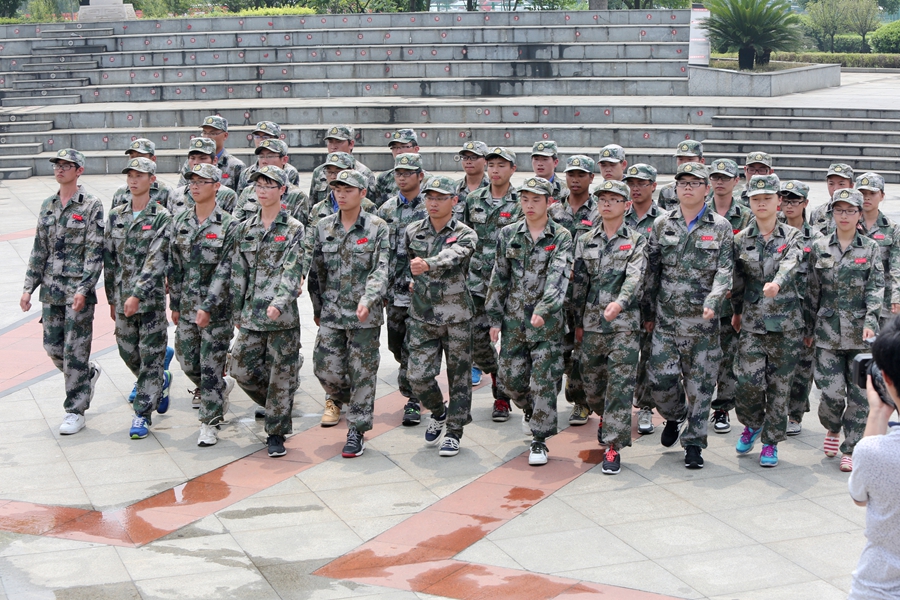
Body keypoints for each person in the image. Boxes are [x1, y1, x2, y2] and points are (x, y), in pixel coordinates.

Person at [643, 162, 733, 469]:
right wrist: (647, 311)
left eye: (695, 183)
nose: (688, 188)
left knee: (701, 388)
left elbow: (724, 270)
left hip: (702, 324)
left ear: (706, 189)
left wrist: (714, 299)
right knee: (660, 380)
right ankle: (674, 415)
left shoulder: (720, 226)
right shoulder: (662, 224)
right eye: (683, 183)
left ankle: (694, 443)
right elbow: (652, 271)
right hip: (667, 321)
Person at [486, 177, 573, 466]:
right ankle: (529, 410)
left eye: (536, 199)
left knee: (544, 381)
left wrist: (544, 308)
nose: (530, 205)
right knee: (510, 380)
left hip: (547, 324)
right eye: (525, 199)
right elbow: (499, 277)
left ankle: (540, 438)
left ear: (549, 202)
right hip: (514, 322)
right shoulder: (508, 233)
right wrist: (494, 318)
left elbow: (559, 277)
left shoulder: (561, 236)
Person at [21, 149, 103, 436]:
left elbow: (94, 252)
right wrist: (28, 287)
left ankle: (75, 410)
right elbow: (39, 249)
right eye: (57, 165)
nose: (60, 169)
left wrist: (85, 288)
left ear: (79, 171)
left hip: (78, 292)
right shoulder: (48, 205)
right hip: (51, 291)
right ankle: (87, 375)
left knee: (74, 350)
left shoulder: (91, 205)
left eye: (67, 166)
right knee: (53, 348)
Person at [310, 170, 390, 458]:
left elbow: (381, 269)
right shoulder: (323, 227)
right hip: (332, 311)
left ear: (363, 193)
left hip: (364, 315)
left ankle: (357, 429)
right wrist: (317, 307)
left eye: (348, 190)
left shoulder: (377, 227)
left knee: (363, 373)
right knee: (324, 368)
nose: (341, 195)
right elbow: (317, 271)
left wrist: (368, 300)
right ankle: (347, 400)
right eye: (337, 189)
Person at [571, 179, 647, 475]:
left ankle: (614, 445)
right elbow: (579, 284)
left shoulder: (637, 240)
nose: (606, 203)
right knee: (592, 384)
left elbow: (635, 277)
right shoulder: (585, 239)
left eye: (614, 199)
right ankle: (604, 414)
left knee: (620, 385)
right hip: (592, 323)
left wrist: (620, 302)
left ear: (626, 206)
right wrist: (577, 321)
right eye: (602, 198)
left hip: (625, 326)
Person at [731, 174, 806, 467]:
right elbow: (737, 280)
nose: (761, 203)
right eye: (756, 199)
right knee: (747, 382)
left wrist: (777, 283)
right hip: (752, 322)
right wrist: (736, 311)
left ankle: (771, 443)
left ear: (778, 202)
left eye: (767, 198)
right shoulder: (741, 239)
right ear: (749, 202)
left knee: (779, 386)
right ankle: (753, 423)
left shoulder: (793, 235)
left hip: (785, 323)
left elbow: (792, 262)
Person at [231, 165, 306, 458]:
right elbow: (239, 271)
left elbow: (293, 269)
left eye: (268, 186)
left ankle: (276, 432)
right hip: (252, 315)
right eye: (258, 186)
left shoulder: (294, 229)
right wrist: (237, 311)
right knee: (240, 369)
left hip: (282, 318)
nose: (262, 191)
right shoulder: (245, 228)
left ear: (282, 190)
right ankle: (278, 405)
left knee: (280, 376)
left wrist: (279, 302)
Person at [808, 188, 884, 472]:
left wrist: (871, 322)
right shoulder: (819, 247)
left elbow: (876, 287)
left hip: (860, 334)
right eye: (839, 210)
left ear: (859, 214)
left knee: (859, 396)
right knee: (831, 393)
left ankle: (850, 447)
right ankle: (832, 426)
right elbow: (812, 290)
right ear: (832, 213)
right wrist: (808, 328)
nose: (844, 215)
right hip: (827, 332)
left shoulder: (870, 248)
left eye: (850, 210)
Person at [405, 175, 478, 456]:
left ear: (454, 201)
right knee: (417, 376)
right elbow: (405, 264)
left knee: (459, 377)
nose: (433, 203)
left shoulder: (465, 233)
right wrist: (409, 279)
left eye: (440, 198)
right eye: (429, 198)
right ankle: (438, 411)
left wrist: (428, 264)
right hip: (423, 314)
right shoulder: (413, 230)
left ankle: (455, 432)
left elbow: (455, 255)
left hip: (457, 315)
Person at [169, 163, 238, 447]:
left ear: (216, 186)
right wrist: (175, 303)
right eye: (192, 181)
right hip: (187, 307)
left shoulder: (229, 225)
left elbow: (226, 270)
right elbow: (175, 265)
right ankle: (220, 388)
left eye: (201, 181)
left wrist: (208, 306)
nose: (195, 186)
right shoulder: (180, 221)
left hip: (217, 311)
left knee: (210, 366)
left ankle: (209, 422)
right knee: (186, 360)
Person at [105, 157, 173, 440]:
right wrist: (112, 298)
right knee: (127, 350)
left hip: (150, 301)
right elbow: (109, 259)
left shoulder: (162, 217)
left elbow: (157, 260)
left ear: (151, 180)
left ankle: (142, 414)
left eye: (139, 176)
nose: (133, 180)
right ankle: (159, 380)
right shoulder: (116, 215)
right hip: (122, 299)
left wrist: (137, 294)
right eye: (130, 175)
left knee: (151, 356)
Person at [463, 146, 521, 419]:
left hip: (509, 284)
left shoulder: (521, 202)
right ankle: (496, 373)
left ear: (513, 169)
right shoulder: (473, 199)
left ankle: (502, 398)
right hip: (476, 282)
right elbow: (464, 237)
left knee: (509, 345)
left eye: (502, 165)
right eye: (492, 165)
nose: (495, 170)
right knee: (477, 339)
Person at [848, 315, 900, 599]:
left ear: (887, 379)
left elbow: (860, 498)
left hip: (879, 589)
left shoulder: (874, 453)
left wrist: (877, 413)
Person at [378, 153, 428, 426]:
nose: (402, 177)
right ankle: (410, 374)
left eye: (408, 173)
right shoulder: (386, 209)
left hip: (419, 291)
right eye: (398, 173)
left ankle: (413, 399)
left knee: (414, 345)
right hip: (393, 290)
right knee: (396, 343)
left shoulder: (431, 207)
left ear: (420, 176)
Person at [550, 155, 600, 427]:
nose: (575, 180)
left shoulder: (599, 211)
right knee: (557, 350)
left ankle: (581, 402)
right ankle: (546, 403)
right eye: (571, 174)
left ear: (592, 177)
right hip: (557, 293)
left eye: (581, 174)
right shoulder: (554, 211)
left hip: (586, 294)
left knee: (582, 352)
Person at [707, 158, 753, 435]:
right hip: (701, 299)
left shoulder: (746, 216)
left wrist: (741, 304)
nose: (720, 182)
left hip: (732, 300)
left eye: (726, 177)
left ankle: (722, 408)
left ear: (737, 181)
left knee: (727, 357)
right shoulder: (700, 212)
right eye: (715, 177)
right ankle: (695, 406)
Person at [625, 163, 663, 435]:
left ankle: (646, 406)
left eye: (642, 183)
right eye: (632, 183)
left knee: (648, 356)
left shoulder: (663, 220)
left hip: (653, 299)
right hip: (623, 300)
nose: (636, 188)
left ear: (654, 186)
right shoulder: (619, 214)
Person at [779, 180, 818, 436]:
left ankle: (795, 414)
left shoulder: (816, 238)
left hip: (805, 311)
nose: (789, 206)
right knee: (778, 365)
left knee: (803, 366)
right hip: (778, 310)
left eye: (794, 201)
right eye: (785, 200)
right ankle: (775, 411)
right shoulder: (773, 231)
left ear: (805, 203)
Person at [856, 172, 900, 325]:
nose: (866, 198)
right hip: (853, 301)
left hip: (883, 300)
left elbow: (896, 266)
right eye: (862, 193)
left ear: (882, 196)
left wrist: (896, 296)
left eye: (872, 193)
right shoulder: (848, 225)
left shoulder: (892, 229)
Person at [232, 139, 310, 226]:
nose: (264, 161)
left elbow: (298, 229)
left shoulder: (297, 196)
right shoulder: (248, 192)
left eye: (270, 156)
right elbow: (236, 226)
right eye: (261, 156)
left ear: (284, 160)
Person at [169, 137, 239, 216]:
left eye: (202, 158)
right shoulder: (176, 195)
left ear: (215, 160)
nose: (196, 162)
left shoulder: (227, 196)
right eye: (192, 158)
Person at [307, 125, 376, 203]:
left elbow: (370, 206)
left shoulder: (364, 173)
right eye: (330, 142)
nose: (333, 146)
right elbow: (312, 204)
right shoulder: (319, 171)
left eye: (338, 141)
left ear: (351, 144)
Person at [177, 116, 245, 193]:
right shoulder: (190, 163)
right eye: (204, 132)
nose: (207, 137)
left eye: (213, 133)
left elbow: (241, 196)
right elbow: (181, 192)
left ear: (225, 135)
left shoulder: (235, 166)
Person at [236, 121, 301, 195]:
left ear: (277, 139)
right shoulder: (246, 173)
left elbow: (290, 197)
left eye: (266, 137)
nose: (261, 140)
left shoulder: (289, 172)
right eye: (257, 136)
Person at [373, 129, 432, 207]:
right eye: (394, 147)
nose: (398, 151)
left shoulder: (429, 181)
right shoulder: (384, 179)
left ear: (416, 149)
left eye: (404, 146)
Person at [111, 139, 174, 210]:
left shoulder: (165, 191)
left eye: (140, 157)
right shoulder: (121, 193)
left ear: (153, 159)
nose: (136, 161)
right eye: (132, 157)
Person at [658, 140, 704, 211]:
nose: (684, 163)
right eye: (680, 159)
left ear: (701, 161)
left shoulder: (710, 191)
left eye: (690, 159)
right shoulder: (667, 191)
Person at [809, 163, 855, 233]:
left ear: (851, 186)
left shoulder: (858, 213)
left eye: (841, 184)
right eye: (831, 184)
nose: (835, 189)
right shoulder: (817, 213)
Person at [454, 140, 490, 215]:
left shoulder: (493, 188)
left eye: (474, 157)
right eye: (465, 158)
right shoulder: (454, 188)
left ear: (485, 161)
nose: (468, 161)